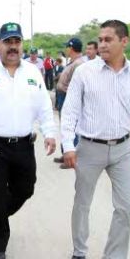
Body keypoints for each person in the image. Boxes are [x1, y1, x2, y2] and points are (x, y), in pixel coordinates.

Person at [60, 20, 130, 259]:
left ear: (124, 41)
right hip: (89, 148)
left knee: (126, 207)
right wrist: (68, 146)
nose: (102, 44)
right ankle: (80, 250)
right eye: (100, 39)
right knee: (82, 202)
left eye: (108, 39)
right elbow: (69, 112)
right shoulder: (85, 72)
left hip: (123, 150)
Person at [0, 22, 57, 259]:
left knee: (26, 188)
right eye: (7, 42)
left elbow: (43, 106)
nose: (12, 47)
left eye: (16, 42)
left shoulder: (33, 72)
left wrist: (50, 132)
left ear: (21, 44)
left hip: (23, 144)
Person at [53, 38, 87, 167]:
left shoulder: (78, 64)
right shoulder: (73, 62)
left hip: (68, 97)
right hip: (63, 95)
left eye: (67, 47)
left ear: (71, 48)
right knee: (65, 125)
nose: (66, 50)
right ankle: (65, 153)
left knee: (70, 126)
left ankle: (72, 157)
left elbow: (76, 86)